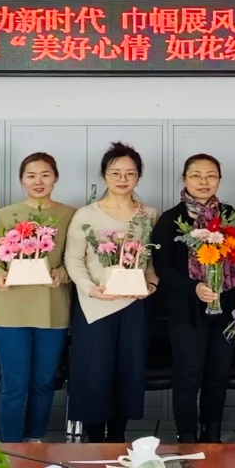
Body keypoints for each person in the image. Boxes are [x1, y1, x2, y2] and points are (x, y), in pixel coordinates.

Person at [65, 142, 159, 443]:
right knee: (95, 373)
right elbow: (73, 259)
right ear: (104, 175)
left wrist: (151, 286)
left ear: (138, 177)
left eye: (130, 173)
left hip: (134, 306)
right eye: (115, 172)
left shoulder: (149, 215)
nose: (122, 178)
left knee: (128, 373)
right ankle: (94, 440)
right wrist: (90, 289)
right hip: (95, 305)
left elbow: (152, 262)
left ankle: (118, 437)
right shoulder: (86, 215)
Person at [0, 152, 76, 444]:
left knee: (44, 381)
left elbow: (77, 259)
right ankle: (11, 445)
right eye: (31, 176)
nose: (38, 181)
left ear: (56, 178)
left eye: (45, 175)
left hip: (51, 309)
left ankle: (35, 439)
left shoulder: (70, 215)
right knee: (14, 383)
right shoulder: (5, 215)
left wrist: (62, 274)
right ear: (21, 180)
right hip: (10, 310)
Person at [153, 153, 235, 444]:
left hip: (225, 309)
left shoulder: (229, 216)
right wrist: (195, 288)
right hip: (186, 311)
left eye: (211, 175)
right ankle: (187, 435)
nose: (204, 182)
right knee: (188, 375)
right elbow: (163, 267)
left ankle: (212, 434)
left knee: (218, 373)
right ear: (184, 179)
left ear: (219, 179)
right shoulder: (171, 219)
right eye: (196, 175)